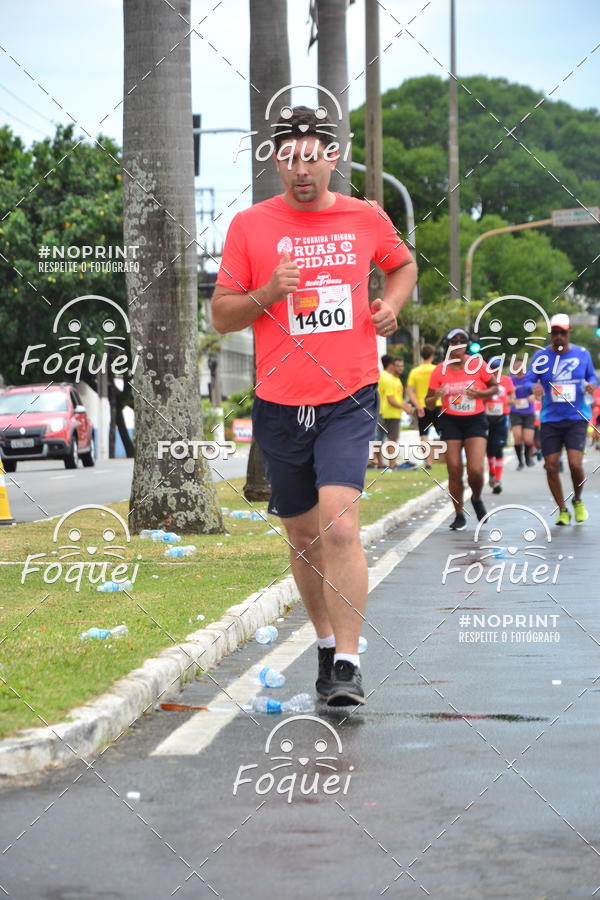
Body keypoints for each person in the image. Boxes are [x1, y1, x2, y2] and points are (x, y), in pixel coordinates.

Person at [211, 106, 417, 705]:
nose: (301, 169)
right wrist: (268, 292)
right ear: (276, 160)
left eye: (313, 155)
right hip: (280, 401)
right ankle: (325, 644)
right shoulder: (251, 226)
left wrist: (392, 304)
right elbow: (221, 316)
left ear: (332, 157)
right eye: (289, 156)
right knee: (302, 535)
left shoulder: (365, 217)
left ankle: (349, 665)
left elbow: (400, 264)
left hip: (349, 394)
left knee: (340, 524)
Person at [522, 313, 597, 525]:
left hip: (576, 417)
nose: (558, 336)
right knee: (552, 465)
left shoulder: (582, 354)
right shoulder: (541, 357)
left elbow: (592, 376)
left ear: (569, 333)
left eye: (562, 332)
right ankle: (562, 509)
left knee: (575, 464)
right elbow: (528, 380)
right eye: (554, 332)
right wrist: (533, 387)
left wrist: (591, 384)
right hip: (550, 419)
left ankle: (578, 500)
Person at [425, 328, 498, 530]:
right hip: (450, 421)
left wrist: (480, 395)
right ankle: (458, 514)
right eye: (453, 341)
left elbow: (495, 388)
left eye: (462, 341)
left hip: (476, 420)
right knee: (454, 469)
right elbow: (428, 403)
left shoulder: (478, 365)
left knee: (475, 470)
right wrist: (436, 396)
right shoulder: (439, 370)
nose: (458, 345)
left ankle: (476, 497)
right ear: (447, 346)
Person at [376, 355, 414, 470]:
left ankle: (380, 464)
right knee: (392, 439)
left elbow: (396, 398)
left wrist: (405, 405)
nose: (400, 368)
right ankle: (392, 465)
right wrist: (405, 408)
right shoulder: (388, 379)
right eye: (397, 365)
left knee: (379, 439)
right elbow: (391, 400)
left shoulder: (390, 378)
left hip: (382, 412)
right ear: (391, 365)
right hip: (390, 413)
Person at [407, 344, 440, 469]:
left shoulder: (415, 371)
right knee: (443, 432)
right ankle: (448, 458)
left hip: (422, 406)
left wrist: (417, 405)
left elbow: (409, 391)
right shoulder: (437, 370)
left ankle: (428, 462)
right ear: (433, 355)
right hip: (437, 404)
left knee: (424, 435)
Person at [485, 358, 514, 494]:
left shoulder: (507, 380)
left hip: (502, 417)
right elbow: (480, 397)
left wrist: (510, 400)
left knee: (499, 448)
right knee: (489, 448)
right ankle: (491, 473)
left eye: (498, 368)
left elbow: (512, 396)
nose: (495, 370)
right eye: (493, 368)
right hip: (486, 417)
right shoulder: (485, 381)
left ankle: (497, 479)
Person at [509, 356, 536, 469]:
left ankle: (527, 457)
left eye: (521, 365)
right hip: (515, 411)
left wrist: (533, 396)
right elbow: (506, 395)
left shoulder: (529, 379)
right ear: (513, 367)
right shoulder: (510, 380)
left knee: (528, 439)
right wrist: (510, 400)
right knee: (518, 436)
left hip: (528, 411)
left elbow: (536, 393)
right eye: (517, 365)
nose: (519, 367)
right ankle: (520, 462)